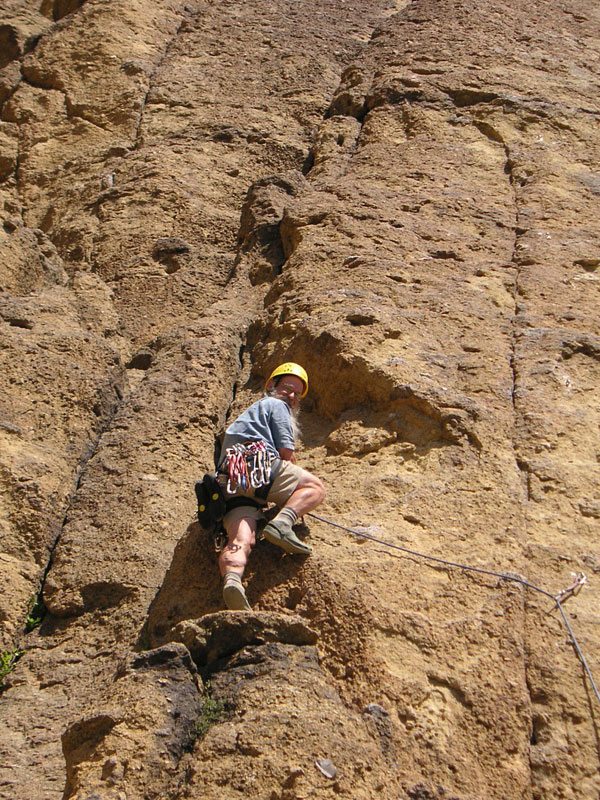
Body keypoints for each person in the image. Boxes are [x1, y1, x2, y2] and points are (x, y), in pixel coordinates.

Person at [217, 362, 325, 611]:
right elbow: (285, 453)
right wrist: (291, 495)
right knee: (314, 487)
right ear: (270, 386)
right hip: (258, 466)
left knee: (241, 538)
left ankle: (232, 580)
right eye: (288, 388)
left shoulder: (247, 417)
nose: (292, 396)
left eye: (297, 394)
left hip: (230, 481)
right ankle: (282, 524)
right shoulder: (277, 406)